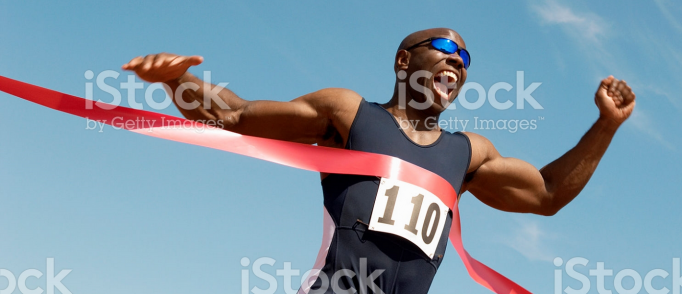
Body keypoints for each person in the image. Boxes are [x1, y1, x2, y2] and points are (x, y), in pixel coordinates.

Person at [121, 27, 635, 294]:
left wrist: (605, 126)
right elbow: (234, 115)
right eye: (443, 49)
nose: (457, 62)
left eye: (466, 60)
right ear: (404, 60)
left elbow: (546, 196)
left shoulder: (469, 154)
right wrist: (175, 81)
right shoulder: (348, 113)